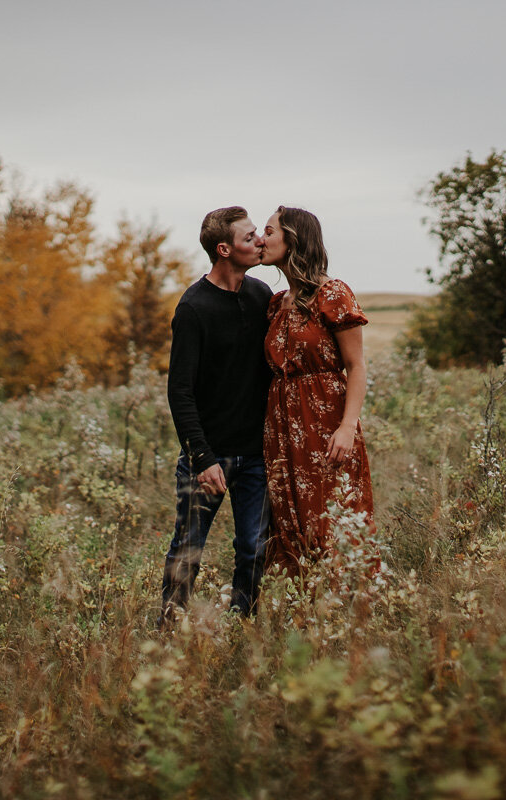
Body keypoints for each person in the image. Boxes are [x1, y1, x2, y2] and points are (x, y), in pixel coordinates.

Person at [160, 206, 273, 625]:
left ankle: (241, 630)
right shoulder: (193, 308)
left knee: (254, 550)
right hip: (207, 457)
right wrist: (203, 458)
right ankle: (170, 629)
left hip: (257, 457)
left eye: (259, 233)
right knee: (187, 548)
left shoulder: (262, 296)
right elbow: (180, 392)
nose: (259, 240)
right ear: (224, 249)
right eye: (249, 237)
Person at [260, 205, 375, 574]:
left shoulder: (334, 293)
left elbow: (356, 367)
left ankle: (348, 616)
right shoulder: (277, 303)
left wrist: (347, 426)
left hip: (326, 422)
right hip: (282, 429)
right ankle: (304, 619)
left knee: (334, 520)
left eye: (269, 231)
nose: (262, 239)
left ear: (292, 240)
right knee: (291, 523)